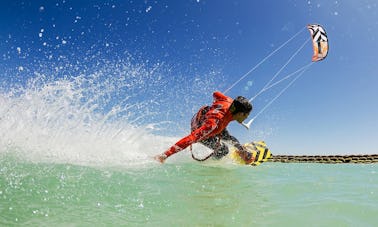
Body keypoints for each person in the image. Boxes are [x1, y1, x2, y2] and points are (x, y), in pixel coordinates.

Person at [154, 91, 255, 164]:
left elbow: (216, 93)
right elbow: (190, 139)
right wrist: (164, 155)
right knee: (223, 150)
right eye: (246, 115)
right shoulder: (214, 125)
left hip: (207, 116)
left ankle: (241, 152)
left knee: (231, 139)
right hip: (200, 125)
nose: (247, 117)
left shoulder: (228, 101)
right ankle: (209, 164)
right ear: (241, 113)